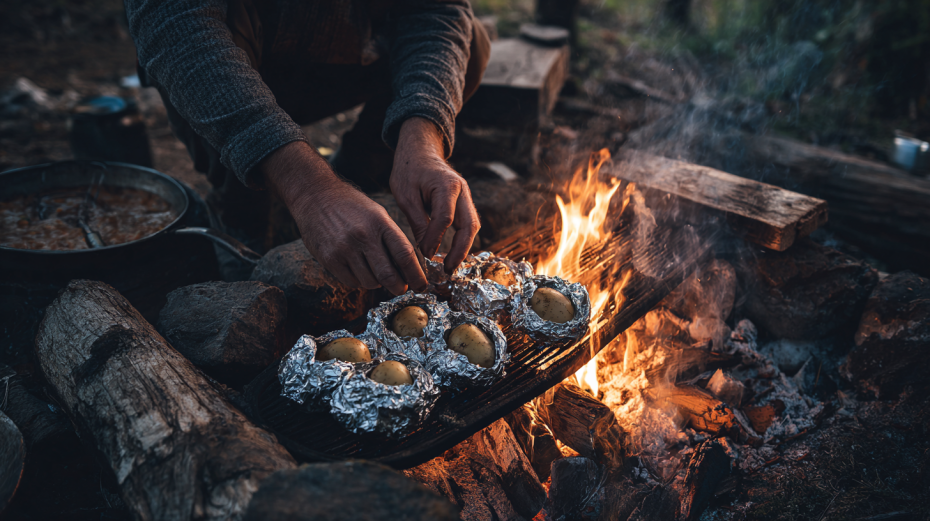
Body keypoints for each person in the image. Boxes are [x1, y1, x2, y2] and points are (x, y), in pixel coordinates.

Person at [124, 0, 490, 295]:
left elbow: (438, 8)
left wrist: (422, 136)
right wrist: (310, 192)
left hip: (350, 53)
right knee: (225, 21)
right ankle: (241, 209)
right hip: (228, 64)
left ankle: (357, 181)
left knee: (470, 40)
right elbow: (178, 26)